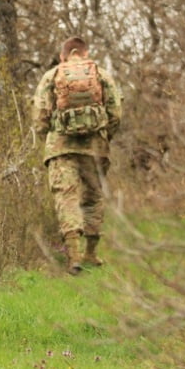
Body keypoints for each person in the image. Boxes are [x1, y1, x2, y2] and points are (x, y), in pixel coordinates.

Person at [32, 36, 123, 274]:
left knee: (67, 198)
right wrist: (105, 137)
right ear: (85, 53)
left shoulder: (51, 76)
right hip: (95, 148)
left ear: (63, 55)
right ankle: (91, 253)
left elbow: (40, 116)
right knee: (93, 197)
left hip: (61, 148)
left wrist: (49, 139)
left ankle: (73, 257)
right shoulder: (101, 74)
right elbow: (115, 112)